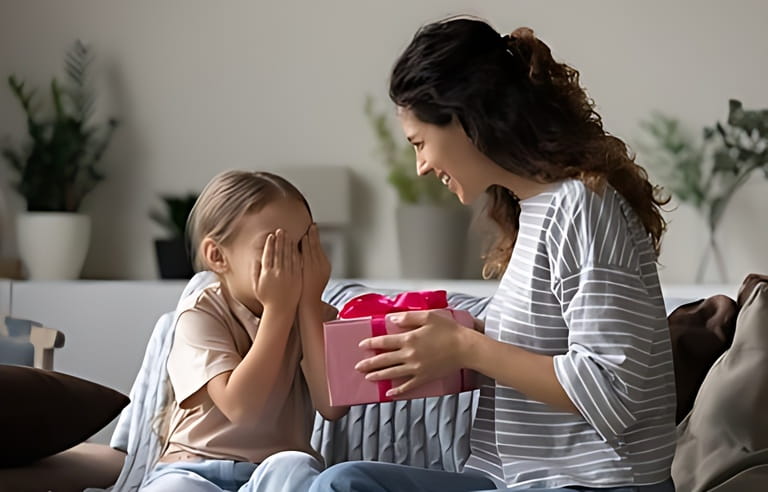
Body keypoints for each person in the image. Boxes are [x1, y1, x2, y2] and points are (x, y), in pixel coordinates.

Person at [310, 17, 676, 492]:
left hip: (592, 483)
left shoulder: (581, 207)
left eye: (420, 143)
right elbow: (545, 350)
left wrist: (467, 347)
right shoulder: (533, 213)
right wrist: (450, 341)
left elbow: (611, 391)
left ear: (466, 120)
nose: (421, 167)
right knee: (344, 482)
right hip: (513, 480)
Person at [141, 170, 348, 492]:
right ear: (218, 256)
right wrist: (278, 311)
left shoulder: (314, 315)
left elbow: (332, 406)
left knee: (297, 465)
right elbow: (242, 408)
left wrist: (308, 306)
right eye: (273, 249)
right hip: (194, 468)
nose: (291, 264)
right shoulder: (201, 314)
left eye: (302, 247)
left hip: (271, 471)